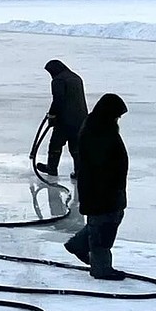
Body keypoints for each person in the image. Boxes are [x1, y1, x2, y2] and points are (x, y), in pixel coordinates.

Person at [64, 93, 129, 280]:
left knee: (108, 221)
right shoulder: (97, 132)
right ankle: (101, 268)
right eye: (117, 115)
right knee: (103, 228)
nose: (118, 119)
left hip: (108, 190)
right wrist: (107, 190)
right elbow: (99, 166)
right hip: (101, 190)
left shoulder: (102, 127)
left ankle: (79, 244)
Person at [38, 60, 88, 178]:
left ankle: (51, 168)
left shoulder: (58, 80)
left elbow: (58, 100)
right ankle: (79, 171)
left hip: (64, 120)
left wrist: (52, 115)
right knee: (76, 147)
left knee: (55, 144)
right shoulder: (76, 78)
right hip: (81, 118)